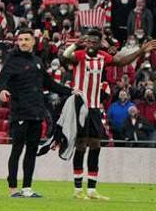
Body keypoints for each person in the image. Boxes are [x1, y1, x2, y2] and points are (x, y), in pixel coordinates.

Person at [61, 29, 156, 200]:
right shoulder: (80, 55)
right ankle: (77, 189)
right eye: (88, 41)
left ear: (99, 43)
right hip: (80, 105)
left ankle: (91, 189)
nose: (90, 44)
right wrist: (75, 43)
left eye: (94, 42)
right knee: (81, 145)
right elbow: (66, 56)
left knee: (96, 145)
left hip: (95, 107)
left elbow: (121, 61)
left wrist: (140, 51)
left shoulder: (103, 57)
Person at [0, 27, 72, 198]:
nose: (23, 42)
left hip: (37, 113)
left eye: (26, 39)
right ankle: (13, 189)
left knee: (31, 151)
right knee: (17, 150)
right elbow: (2, 81)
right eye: (20, 40)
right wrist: (1, 91)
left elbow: (49, 83)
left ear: (33, 41)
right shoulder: (12, 60)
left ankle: (27, 188)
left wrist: (70, 91)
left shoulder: (38, 61)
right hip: (20, 112)